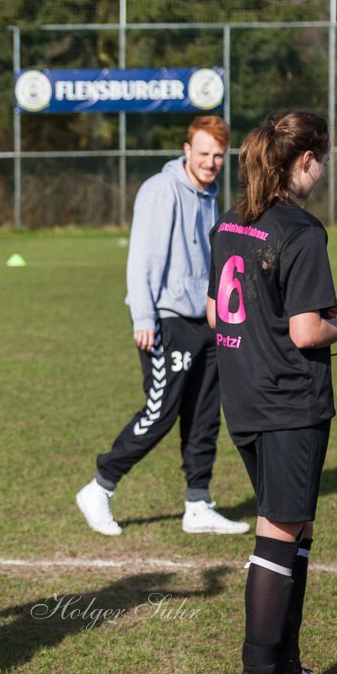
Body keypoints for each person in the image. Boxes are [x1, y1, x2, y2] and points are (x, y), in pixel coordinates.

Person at [207, 110, 337, 674]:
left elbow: (217, 313)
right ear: (305, 160)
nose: (323, 171)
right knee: (280, 530)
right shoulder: (301, 231)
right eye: (323, 159)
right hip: (288, 402)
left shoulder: (233, 220)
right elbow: (306, 333)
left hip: (245, 396)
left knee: (294, 527)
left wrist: (312, 306)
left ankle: (285, 666)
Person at [76, 116, 250, 537]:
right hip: (166, 322)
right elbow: (143, 257)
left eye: (218, 156)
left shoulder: (208, 192)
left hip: (205, 320)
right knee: (160, 413)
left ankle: (197, 503)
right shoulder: (161, 189)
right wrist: (143, 316)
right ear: (186, 150)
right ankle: (100, 487)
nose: (210, 163)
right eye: (203, 153)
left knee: (204, 415)